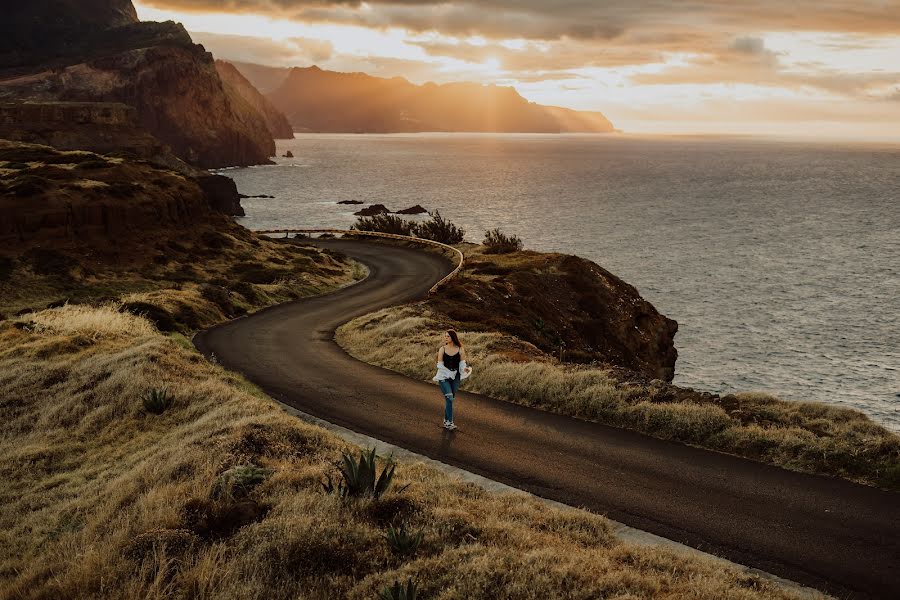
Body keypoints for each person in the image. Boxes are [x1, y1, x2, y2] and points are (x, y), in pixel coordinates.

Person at [432, 329, 471, 430]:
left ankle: (446, 420)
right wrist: (449, 373)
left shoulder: (460, 349)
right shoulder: (442, 349)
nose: (445, 337)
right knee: (449, 398)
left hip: (456, 377)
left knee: (450, 399)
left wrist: (465, 369)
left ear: (453, 337)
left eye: (448, 336)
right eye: (445, 336)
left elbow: (462, 364)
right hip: (444, 376)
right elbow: (439, 365)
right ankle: (450, 422)